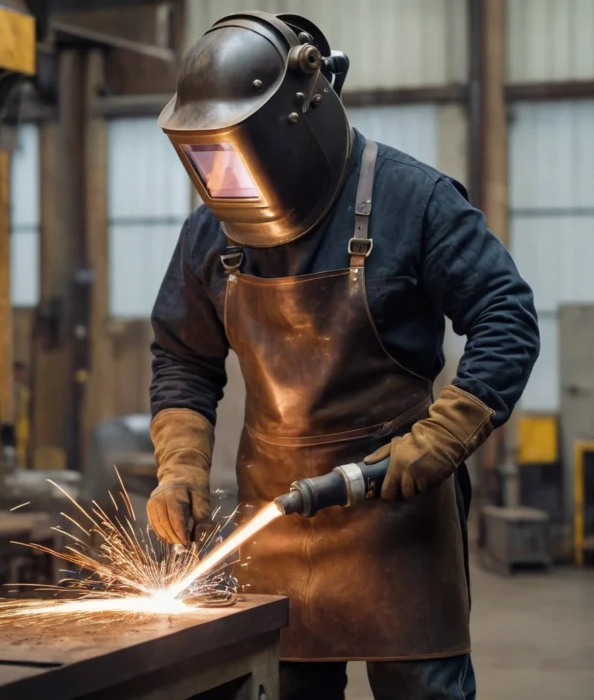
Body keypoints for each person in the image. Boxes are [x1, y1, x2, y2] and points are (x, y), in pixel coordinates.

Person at [146, 11, 539, 700]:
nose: (231, 179)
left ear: (303, 115)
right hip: (276, 520)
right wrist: (179, 467)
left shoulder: (413, 200)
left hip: (400, 514)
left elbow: (505, 315)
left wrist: (441, 440)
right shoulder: (213, 231)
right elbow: (183, 358)